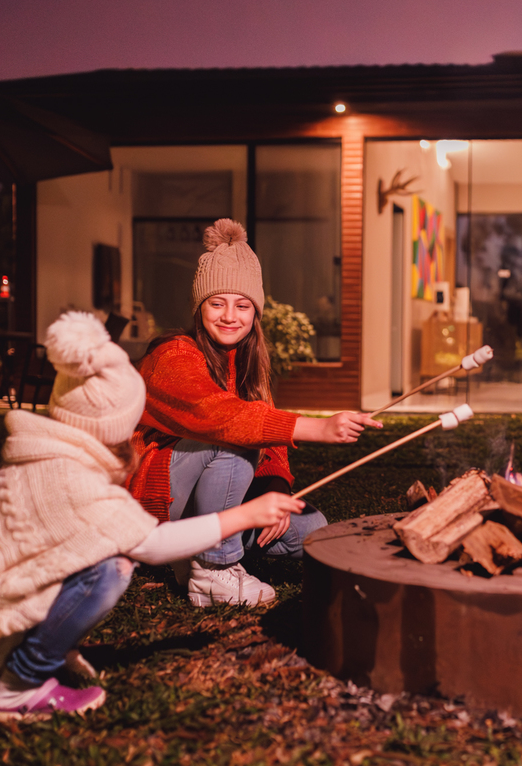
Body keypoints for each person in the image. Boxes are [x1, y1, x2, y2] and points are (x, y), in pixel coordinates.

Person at [0, 311, 303, 723]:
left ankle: (43, 644)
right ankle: (20, 685)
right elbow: (153, 546)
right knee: (110, 569)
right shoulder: (76, 484)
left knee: (85, 552)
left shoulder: (27, 465)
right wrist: (246, 514)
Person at [129, 218, 380, 607]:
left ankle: (193, 554)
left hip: (206, 503)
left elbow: (268, 440)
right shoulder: (173, 355)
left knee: (309, 527)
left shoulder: (246, 363)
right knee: (232, 442)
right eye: (217, 303)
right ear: (200, 307)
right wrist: (315, 427)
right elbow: (220, 417)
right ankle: (213, 569)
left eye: (242, 305)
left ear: (255, 312)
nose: (230, 315)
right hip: (153, 503)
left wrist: (275, 491)